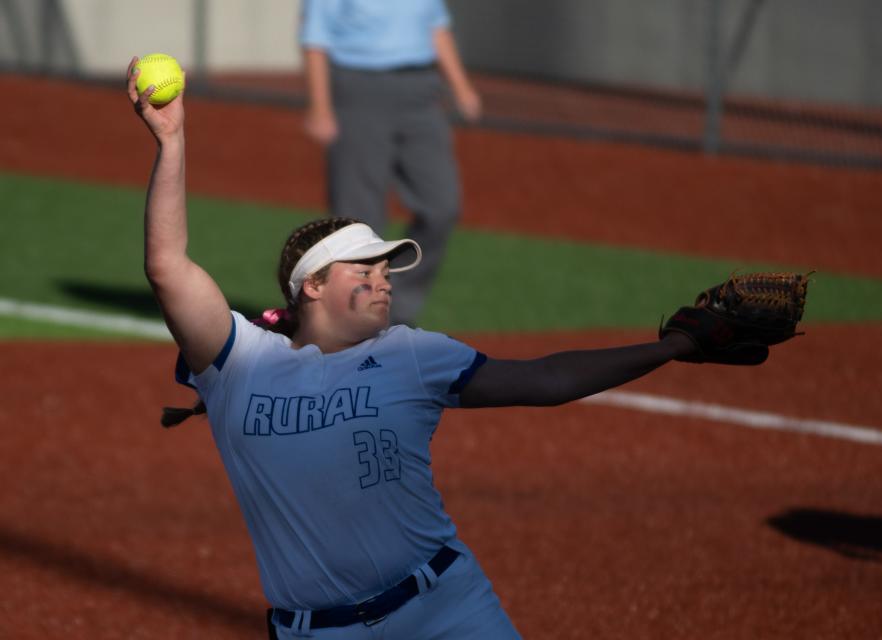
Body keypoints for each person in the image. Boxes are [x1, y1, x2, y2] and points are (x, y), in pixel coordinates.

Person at [128, 60, 701, 640]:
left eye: (387, 269)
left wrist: (672, 348)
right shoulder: (238, 362)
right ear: (313, 285)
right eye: (365, 268)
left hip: (449, 609)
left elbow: (546, 381)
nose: (383, 280)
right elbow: (167, 267)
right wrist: (172, 140)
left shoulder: (412, 354)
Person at [299, 0, 482, 328]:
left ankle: (399, 310)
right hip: (358, 88)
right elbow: (316, 40)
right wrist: (321, 107)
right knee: (358, 222)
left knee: (442, 206)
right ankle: (356, 320)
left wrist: (461, 87)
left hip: (421, 91)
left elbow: (436, 29)